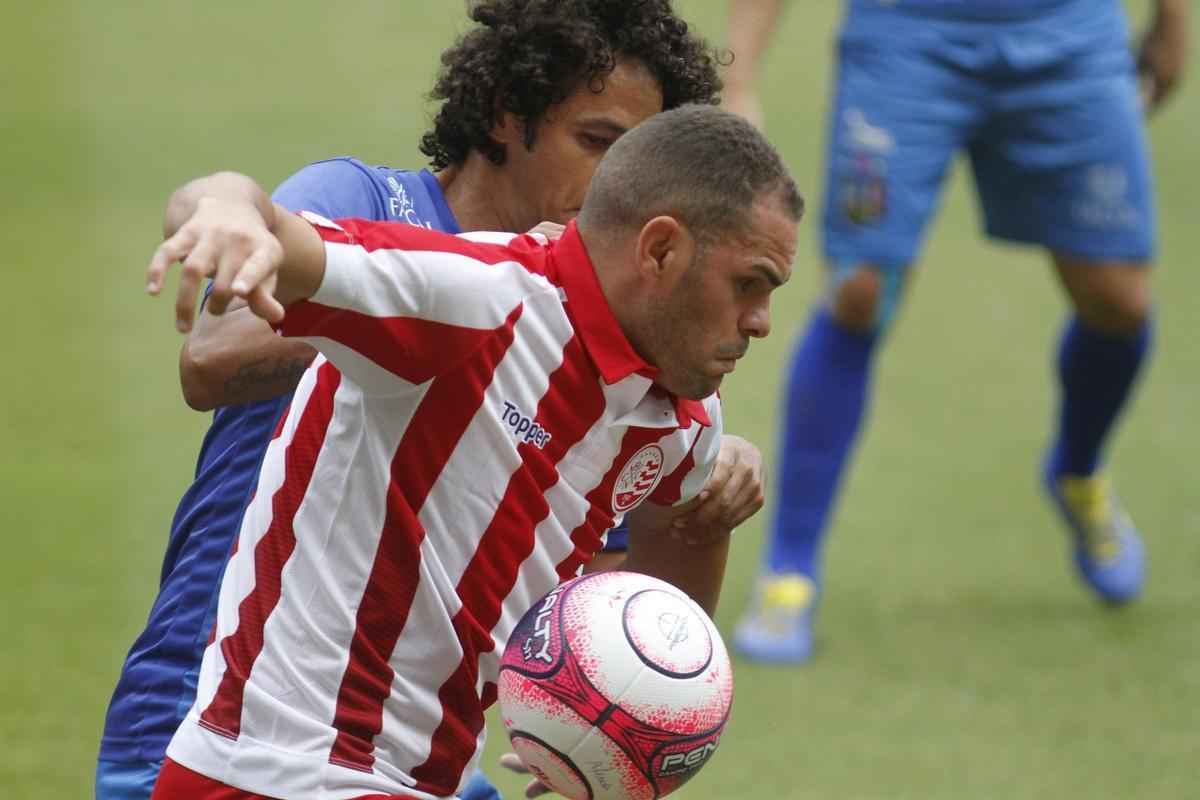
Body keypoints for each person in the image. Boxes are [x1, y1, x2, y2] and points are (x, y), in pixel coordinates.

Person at [96, 3, 770, 799]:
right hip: (214, 700)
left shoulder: (597, 357)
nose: (615, 185)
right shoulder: (369, 206)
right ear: (503, 114)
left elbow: (587, 581)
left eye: (639, 161)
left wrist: (686, 498)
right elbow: (211, 358)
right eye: (595, 143)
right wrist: (464, 303)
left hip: (404, 752)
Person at [724, 0, 1189, 664]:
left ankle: (1077, 470)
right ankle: (789, 570)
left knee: (1121, 302)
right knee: (860, 291)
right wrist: (740, 77)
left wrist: (1172, 20)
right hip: (906, 35)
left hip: (1068, 34)